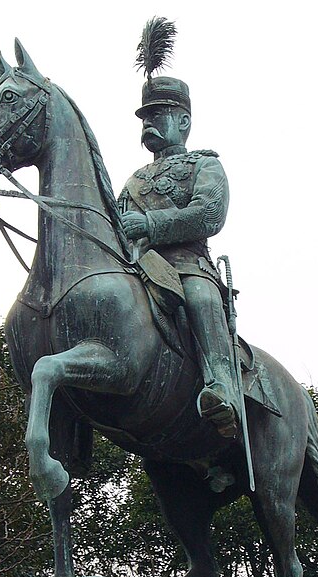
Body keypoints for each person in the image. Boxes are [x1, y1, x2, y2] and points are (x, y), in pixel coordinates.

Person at [119, 76, 239, 438]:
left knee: (201, 299)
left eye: (157, 115)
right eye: (144, 118)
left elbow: (208, 215)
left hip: (188, 265)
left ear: (183, 121)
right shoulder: (133, 180)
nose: (147, 124)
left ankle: (222, 387)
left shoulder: (205, 166)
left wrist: (148, 223)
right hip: (139, 268)